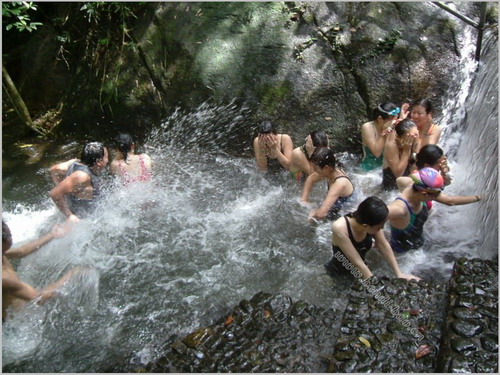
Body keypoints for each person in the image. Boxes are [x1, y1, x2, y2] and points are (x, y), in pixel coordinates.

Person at [388, 168, 483, 253]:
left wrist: (479, 198)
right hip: (402, 255)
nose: (438, 197)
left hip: (417, 247)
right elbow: (375, 217)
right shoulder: (399, 208)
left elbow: (450, 201)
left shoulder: (413, 186)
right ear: (425, 194)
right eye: (435, 195)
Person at [324, 196, 420, 281]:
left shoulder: (370, 219)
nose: (382, 228)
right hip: (340, 271)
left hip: (361, 267)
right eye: (379, 226)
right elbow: (357, 263)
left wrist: (399, 273)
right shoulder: (340, 228)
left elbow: (383, 245)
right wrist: (376, 288)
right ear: (365, 226)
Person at [2, 220, 78, 321]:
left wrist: (53, 235)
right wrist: (72, 276)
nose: (10, 234)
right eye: (9, 235)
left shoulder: (2, 253)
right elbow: (37, 298)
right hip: (10, 325)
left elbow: (22, 251)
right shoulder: (5, 279)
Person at [49, 142, 109, 221]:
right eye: (106, 157)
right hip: (83, 219)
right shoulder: (82, 176)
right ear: (99, 162)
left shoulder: (74, 162)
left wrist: (63, 187)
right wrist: (69, 216)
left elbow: (54, 170)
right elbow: (54, 194)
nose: (107, 160)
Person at [303, 147, 355, 222]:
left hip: (349, 211)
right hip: (339, 207)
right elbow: (311, 179)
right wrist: (304, 200)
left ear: (326, 168)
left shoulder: (339, 183)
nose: (315, 171)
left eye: (316, 169)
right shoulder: (331, 171)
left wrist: (313, 212)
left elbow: (322, 213)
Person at [360, 102, 400, 171]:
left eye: (395, 118)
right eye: (392, 119)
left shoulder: (394, 126)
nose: (394, 121)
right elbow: (376, 153)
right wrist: (385, 132)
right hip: (370, 170)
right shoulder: (367, 127)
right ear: (380, 119)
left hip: (388, 168)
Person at [382, 118, 419, 190]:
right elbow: (398, 174)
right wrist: (406, 150)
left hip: (406, 187)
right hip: (390, 190)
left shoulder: (415, 142)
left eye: (416, 135)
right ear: (398, 138)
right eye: (409, 137)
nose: (414, 139)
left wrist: (414, 151)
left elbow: (415, 169)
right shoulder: (391, 145)